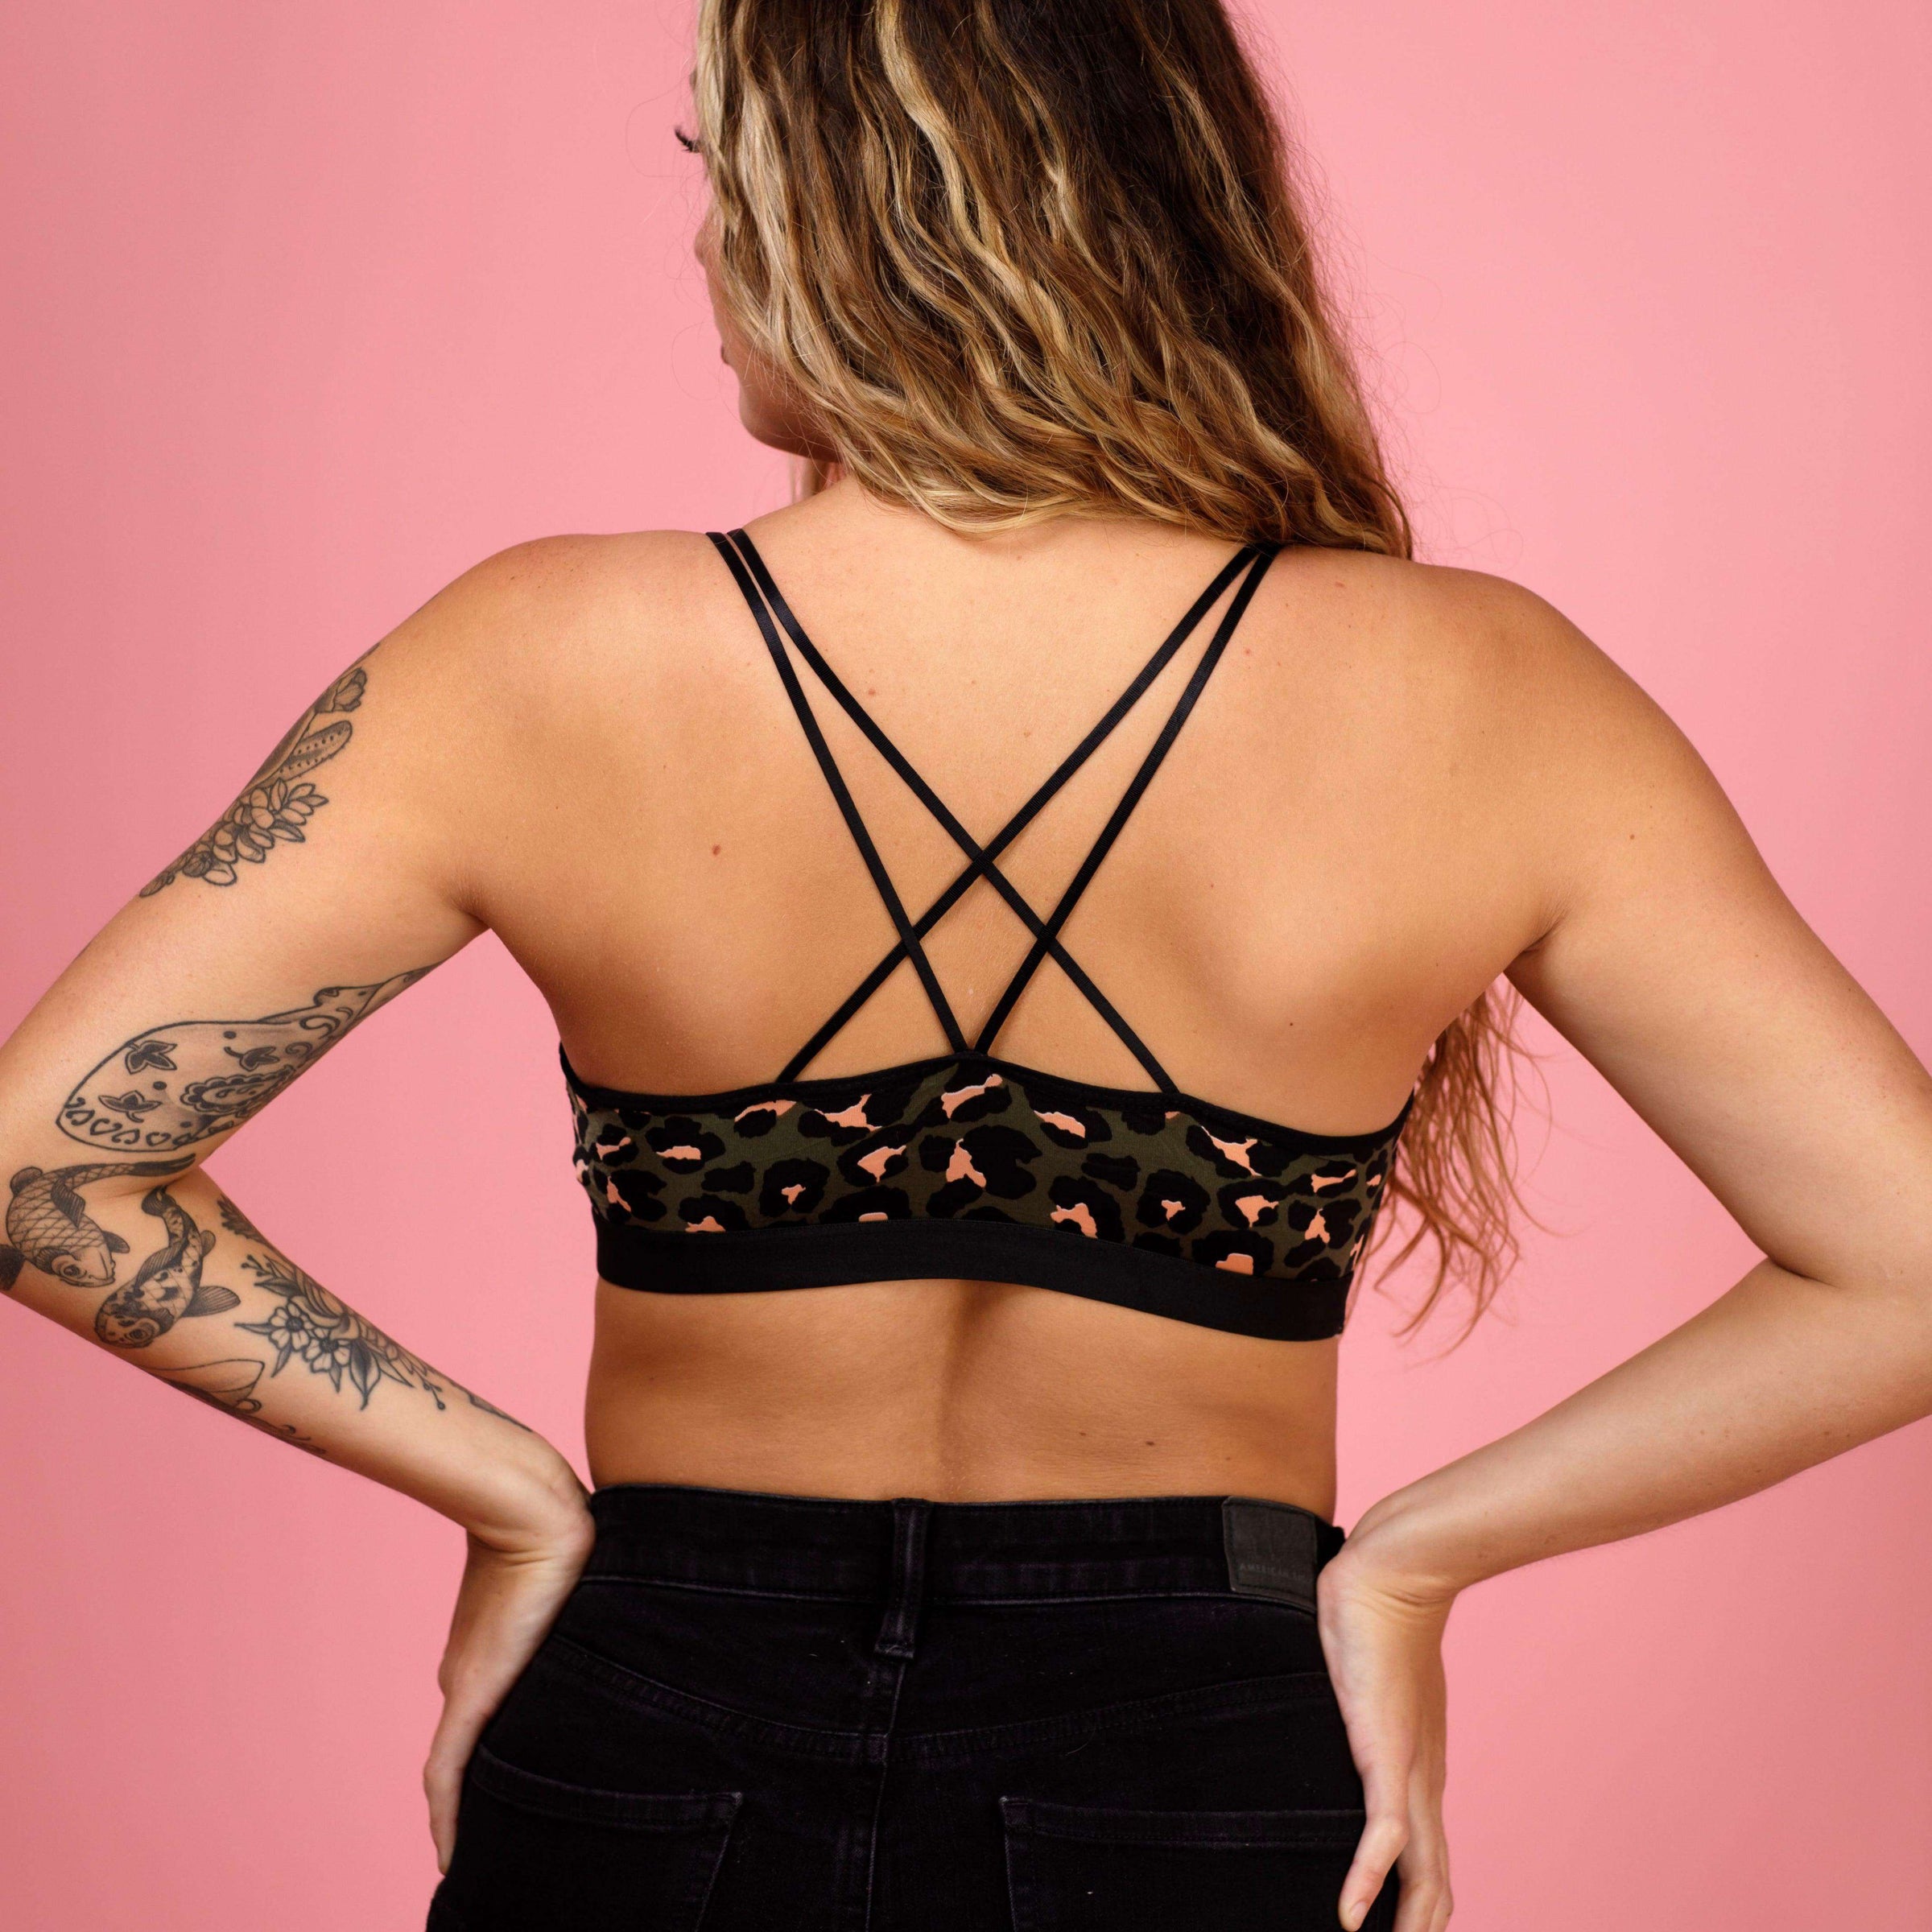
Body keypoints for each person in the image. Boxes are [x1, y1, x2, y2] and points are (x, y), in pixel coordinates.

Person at [3, 2, 1928, 1927]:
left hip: (657, 1710)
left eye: (723, 173)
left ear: (855, 207)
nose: (704, 242)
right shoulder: (1487, 693)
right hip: (1201, 1746)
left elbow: (40, 1162)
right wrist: (1419, 1559)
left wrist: (505, 1493)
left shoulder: (538, 654)